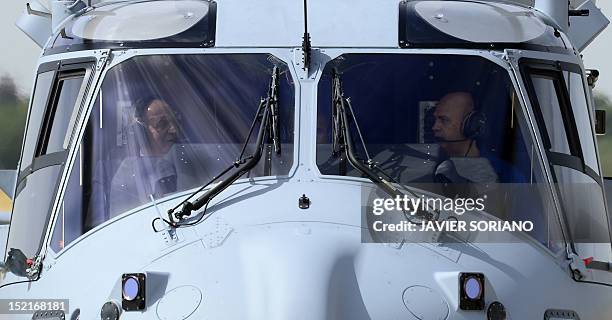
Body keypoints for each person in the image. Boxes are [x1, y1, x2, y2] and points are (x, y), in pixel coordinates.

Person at [108, 96, 208, 216]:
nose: (173, 130)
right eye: (163, 124)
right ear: (142, 132)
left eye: (174, 122)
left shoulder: (193, 159)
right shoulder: (125, 176)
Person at [432, 92, 480, 158]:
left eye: (444, 120)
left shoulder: (488, 166)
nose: (434, 127)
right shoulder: (431, 161)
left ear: (469, 125)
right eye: (435, 119)